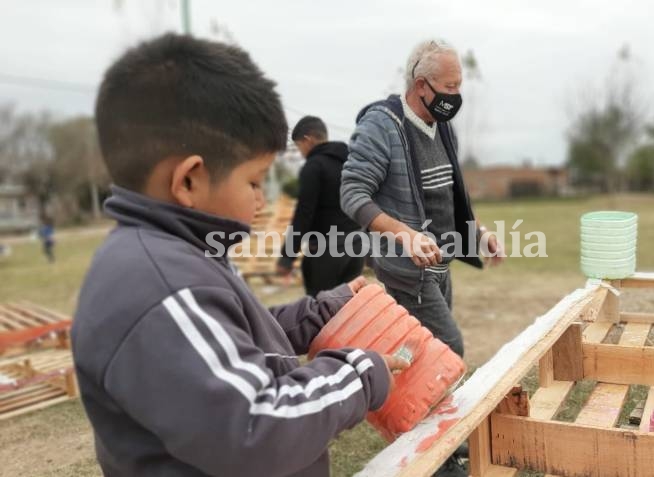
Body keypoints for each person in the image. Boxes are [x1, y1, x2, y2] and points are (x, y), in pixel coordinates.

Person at [71, 34, 406, 477]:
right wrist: (359, 375)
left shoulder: (172, 258)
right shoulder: (163, 285)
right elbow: (256, 428)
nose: (261, 203)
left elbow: (234, 344)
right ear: (189, 180)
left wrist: (324, 310)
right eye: (253, 182)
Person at [340, 39, 502, 476]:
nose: (456, 96)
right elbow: (352, 193)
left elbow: (450, 193)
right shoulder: (383, 125)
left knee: (425, 363)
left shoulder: (441, 125)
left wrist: (479, 231)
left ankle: (436, 442)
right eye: (448, 87)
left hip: (441, 266)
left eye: (459, 85)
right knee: (448, 351)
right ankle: (440, 458)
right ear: (421, 85)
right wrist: (405, 235)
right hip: (409, 268)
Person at [277, 116, 365, 296]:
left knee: (320, 310)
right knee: (348, 306)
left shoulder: (314, 166)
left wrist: (287, 257)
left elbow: (304, 213)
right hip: (357, 247)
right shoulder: (352, 162)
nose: (300, 153)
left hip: (327, 251)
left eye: (299, 146)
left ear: (307, 140)